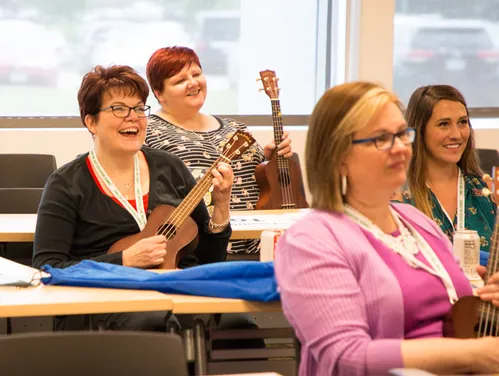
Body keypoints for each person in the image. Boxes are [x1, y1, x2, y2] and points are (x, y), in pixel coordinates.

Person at [274, 81, 499, 375]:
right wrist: (473, 354)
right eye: (381, 139)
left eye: (401, 135)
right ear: (338, 154)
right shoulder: (312, 239)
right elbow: (345, 356)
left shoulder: (419, 223)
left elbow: (455, 319)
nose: (401, 149)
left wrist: (488, 302)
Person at [33, 65, 233, 331]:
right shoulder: (66, 183)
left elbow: (207, 260)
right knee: (155, 323)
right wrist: (124, 260)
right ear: (91, 121)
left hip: (178, 292)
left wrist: (221, 210)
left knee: (238, 325)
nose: (133, 117)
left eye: (139, 109)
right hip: (104, 302)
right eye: (118, 109)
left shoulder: (170, 167)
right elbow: (47, 268)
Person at [144, 46, 293, 255]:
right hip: (205, 251)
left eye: (196, 74)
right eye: (180, 80)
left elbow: (262, 181)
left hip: (260, 247)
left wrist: (269, 157)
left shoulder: (236, 128)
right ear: (159, 94)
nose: (193, 83)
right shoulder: (148, 132)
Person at [401, 84, 496, 254]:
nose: (456, 134)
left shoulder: (486, 192)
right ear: (419, 130)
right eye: (444, 124)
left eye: (462, 122)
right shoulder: (398, 196)